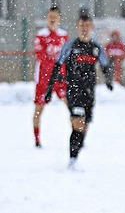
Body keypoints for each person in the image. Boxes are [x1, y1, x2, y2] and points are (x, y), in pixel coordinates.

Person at [44, 10, 113, 169]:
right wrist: (49, 90)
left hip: (89, 92)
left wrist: (108, 80)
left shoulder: (96, 47)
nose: (84, 28)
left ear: (92, 27)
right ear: (77, 26)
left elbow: (105, 65)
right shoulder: (70, 46)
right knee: (78, 123)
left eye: (87, 26)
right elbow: (57, 66)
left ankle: (77, 146)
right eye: (81, 25)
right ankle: (72, 158)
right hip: (74, 91)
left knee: (86, 124)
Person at [32, 6, 69, 148]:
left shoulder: (64, 36)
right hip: (44, 79)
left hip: (61, 79)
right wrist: (54, 73)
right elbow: (41, 56)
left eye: (55, 16)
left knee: (70, 105)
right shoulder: (41, 36)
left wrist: (64, 74)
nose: (53, 19)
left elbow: (67, 57)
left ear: (59, 18)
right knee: (38, 108)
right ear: (46, 18)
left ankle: (76, 135)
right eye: (50, 16)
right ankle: (37, 139)